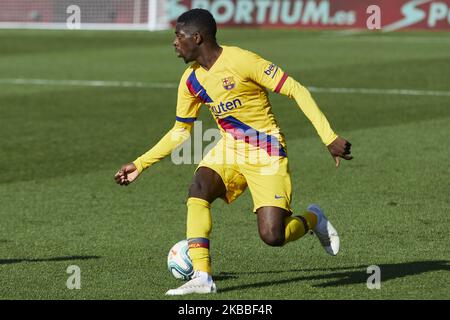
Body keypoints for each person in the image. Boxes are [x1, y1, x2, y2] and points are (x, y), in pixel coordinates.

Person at [114, 8, 352, 296]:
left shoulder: (242, 60)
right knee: (198, 189)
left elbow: (295, 89)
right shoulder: (190, 80)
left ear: (197, 37)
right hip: (230, 148)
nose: (174, 43)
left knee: (273, 236)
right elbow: (180, 131)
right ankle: (203, 276)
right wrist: (140, 164)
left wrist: (328, 137)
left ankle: (314, 219)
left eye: (178, 36)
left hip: (265, 151)